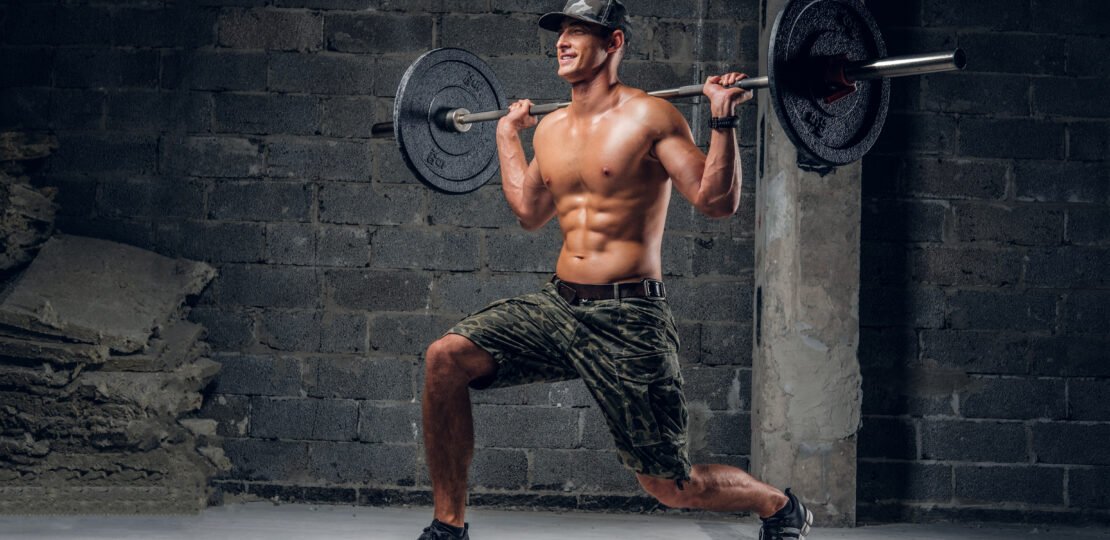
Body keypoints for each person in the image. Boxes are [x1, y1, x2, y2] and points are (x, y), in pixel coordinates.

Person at [418, 1, 813, 539]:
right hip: (560, 305)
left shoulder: (651, 116)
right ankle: (448, 527)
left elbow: (715, 201)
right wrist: (507, 138)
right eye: (561, 32)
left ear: (614, 43)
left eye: (579, 32)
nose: (563, 41)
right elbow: (530, 212)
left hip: (630, 317)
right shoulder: (551, 129)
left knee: (673, 487)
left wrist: (723, 117)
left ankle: (777, 506)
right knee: (446, 358)